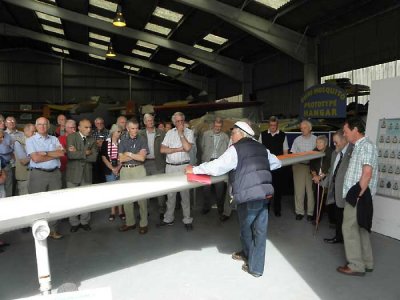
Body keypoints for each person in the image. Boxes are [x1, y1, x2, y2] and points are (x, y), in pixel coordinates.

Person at [186, 121, 281, 277]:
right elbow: (277, 163)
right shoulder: (262, 148)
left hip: (248, 196)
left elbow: (217, 167)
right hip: (264, 194)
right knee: (260, 231)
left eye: (233, 133)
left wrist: (194, 169)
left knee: (246, 229)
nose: (231, 136)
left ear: (240, 134)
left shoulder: (236, 149)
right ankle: (254, 264)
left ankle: (251, 261)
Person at [337, 118, 378, 276]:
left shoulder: (366, 146)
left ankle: (355, 265)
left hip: (358, 196)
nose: (345, 135)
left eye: (346, 132)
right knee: (361, 229)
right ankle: (367, 263)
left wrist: (356, 196)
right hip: (360, 195)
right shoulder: (359, 146)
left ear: (355, 129)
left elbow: (367, 174)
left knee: (349, 228)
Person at [26, 117, 64, 239]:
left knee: (55, 203)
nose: (42, 126)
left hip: (55, 174)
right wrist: (53, 154)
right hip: (38, 175)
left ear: (48, 126)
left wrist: (45, 153)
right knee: (37, 204)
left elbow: (61, 154)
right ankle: (39, 231)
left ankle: (53, 230)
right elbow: (35, 159)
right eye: (40, 124)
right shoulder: (30, 140)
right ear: (36, 126)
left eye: (45, 124)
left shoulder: (54, 139)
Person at [159, 112, 194, 231]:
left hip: (184, 166)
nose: (180, 123)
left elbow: (188, 148)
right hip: (170, 167)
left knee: (185, 195)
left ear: (184, 121)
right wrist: (179, 149)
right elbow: (162, 149)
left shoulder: (189, 132)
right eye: (177, 121)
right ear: (174, 122)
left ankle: (187, 219)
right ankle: (168, 218)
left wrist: (181, 134)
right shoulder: (169, 133)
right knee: (170, 194)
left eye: (181, 121)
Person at [66, 119, 98, 232]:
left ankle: (85, 221)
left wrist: (78, 152)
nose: (89, 130)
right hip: (73, 173)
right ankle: (74, 223)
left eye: (90, 127)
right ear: (79, 127)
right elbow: (70, 155)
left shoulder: (92, 139)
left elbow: (94, 158)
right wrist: (85, 152)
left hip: (86, 173)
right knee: (72, 200)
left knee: (86, 199)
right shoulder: (71, 137)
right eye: (86, 127)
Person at [118, 119, 149, 234]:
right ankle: (130, 223)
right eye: (132, 128)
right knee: (127, 199)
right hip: (125, 171)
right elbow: (121, 159)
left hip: (139, 169)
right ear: (127, 128)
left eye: (136, 128)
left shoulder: (142, 139)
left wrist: (129, 154)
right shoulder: (123, 140)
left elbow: (142, 158)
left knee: (142, 199)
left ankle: (144, 223)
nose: (135, 131)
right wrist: (136, 155)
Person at [324, 129, 353, 244]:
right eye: (334, 142)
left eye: (336, 142)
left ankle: (347, 239)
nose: (334, 145)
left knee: (347, 217)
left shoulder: (353, 151)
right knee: (338, 215)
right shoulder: (335, 153)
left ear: (345, 139)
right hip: (335, 189)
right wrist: (324, 180)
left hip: (347, 191)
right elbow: (332, 170)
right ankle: (338, 237)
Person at [259, 116, 289, 217]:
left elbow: (285, 152)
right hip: (266, 167)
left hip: (278, 167)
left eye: (274, 125)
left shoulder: (282, 135)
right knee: (266, 189)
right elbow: (259, 151)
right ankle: (265, 209)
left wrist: (283, 165)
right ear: (268, 125)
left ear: (277, 125)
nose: (273, 127)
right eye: (271, 125)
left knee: (278, 189)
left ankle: (277, 209)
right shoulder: (262, 135)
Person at [200, 117, 229, 218]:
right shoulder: (206, 134)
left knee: (220, 188)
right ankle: (206, 207)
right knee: (206, 188)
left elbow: (227, 151)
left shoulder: (225, 137)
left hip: (219, 164)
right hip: (207, 163)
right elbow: (202, 146)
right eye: (216, 126)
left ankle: (220, 208)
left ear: (222, 126)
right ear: (213, 125)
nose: (217, 128)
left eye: (219, 127)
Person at [139, 114, 166, 220]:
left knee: (160, 189)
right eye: (148, 120)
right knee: (145, 189)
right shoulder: (140, 133)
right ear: (145, 122)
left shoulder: (161, 133)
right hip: (144, 164)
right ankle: (145, 211)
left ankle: (162, 210)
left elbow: (166, 147)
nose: (150, 122)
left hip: (157, 163)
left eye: (152, 120)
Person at [291, 120, 317, 221]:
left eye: (304, 128)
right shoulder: (297, 140)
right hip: (299, 166)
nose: (302, 130)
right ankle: (299, 212)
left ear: (310, 128)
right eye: (301, 128)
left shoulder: (316, 139)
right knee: (299, 191)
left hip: (312, 167)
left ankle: (310, 213)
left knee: (310, 191)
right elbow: (292, 154)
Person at [101, 124, 124, 221]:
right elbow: (103, 157)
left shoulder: (122, 142)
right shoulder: (106, 143)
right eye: (118, 131)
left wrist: (118, 168)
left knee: (121, 192)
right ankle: (113, 212)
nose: (120, 133)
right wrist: (112, 168)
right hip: (109, 169)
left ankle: (121, 211)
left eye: (120, 132)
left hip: (121, 168)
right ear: (113, 132)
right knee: (112, 191)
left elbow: (124, 157)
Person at [310, 135, 332, 223]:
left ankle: (330, 218)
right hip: (317, 178)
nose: (318, 144)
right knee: (317, 198)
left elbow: (330, 168)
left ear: (325, 144)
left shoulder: (330, 152)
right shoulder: (314, 151)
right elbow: (311, 165)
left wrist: (320, 176)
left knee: (326, 198)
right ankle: (317, 217)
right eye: (317, 142)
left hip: (326, 178)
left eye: (320, 142)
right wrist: (315, 176)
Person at [14, 124, 36, 196]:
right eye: (33, 132)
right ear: (25, 131)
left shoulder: (35, 142)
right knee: (24, 199)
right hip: (24, 177)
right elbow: (23, 161)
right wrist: (36, 155)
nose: (35, 134)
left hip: (35, 175)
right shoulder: (18, 142)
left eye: (35, 132)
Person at [58, 119, 77, 188]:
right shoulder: (61, 138)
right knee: (64, 188)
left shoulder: (79, 138)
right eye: (71, 127)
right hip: (64, 168)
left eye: (74, 127)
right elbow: (62, 151)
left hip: (76, 168)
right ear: (66, 128)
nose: (73, 129)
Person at [92, 117, 109, 184]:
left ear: (103, 124)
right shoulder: (92, 133)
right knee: (96, 173)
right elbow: (90, 143)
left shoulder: (108, 132)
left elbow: (110, 142)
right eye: (98, 123)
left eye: (101, 123)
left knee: (104, 173)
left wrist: (103, 143)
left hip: (105, 154)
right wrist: (96, 143)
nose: (99, 124)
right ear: (95, 124)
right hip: (96, 155)